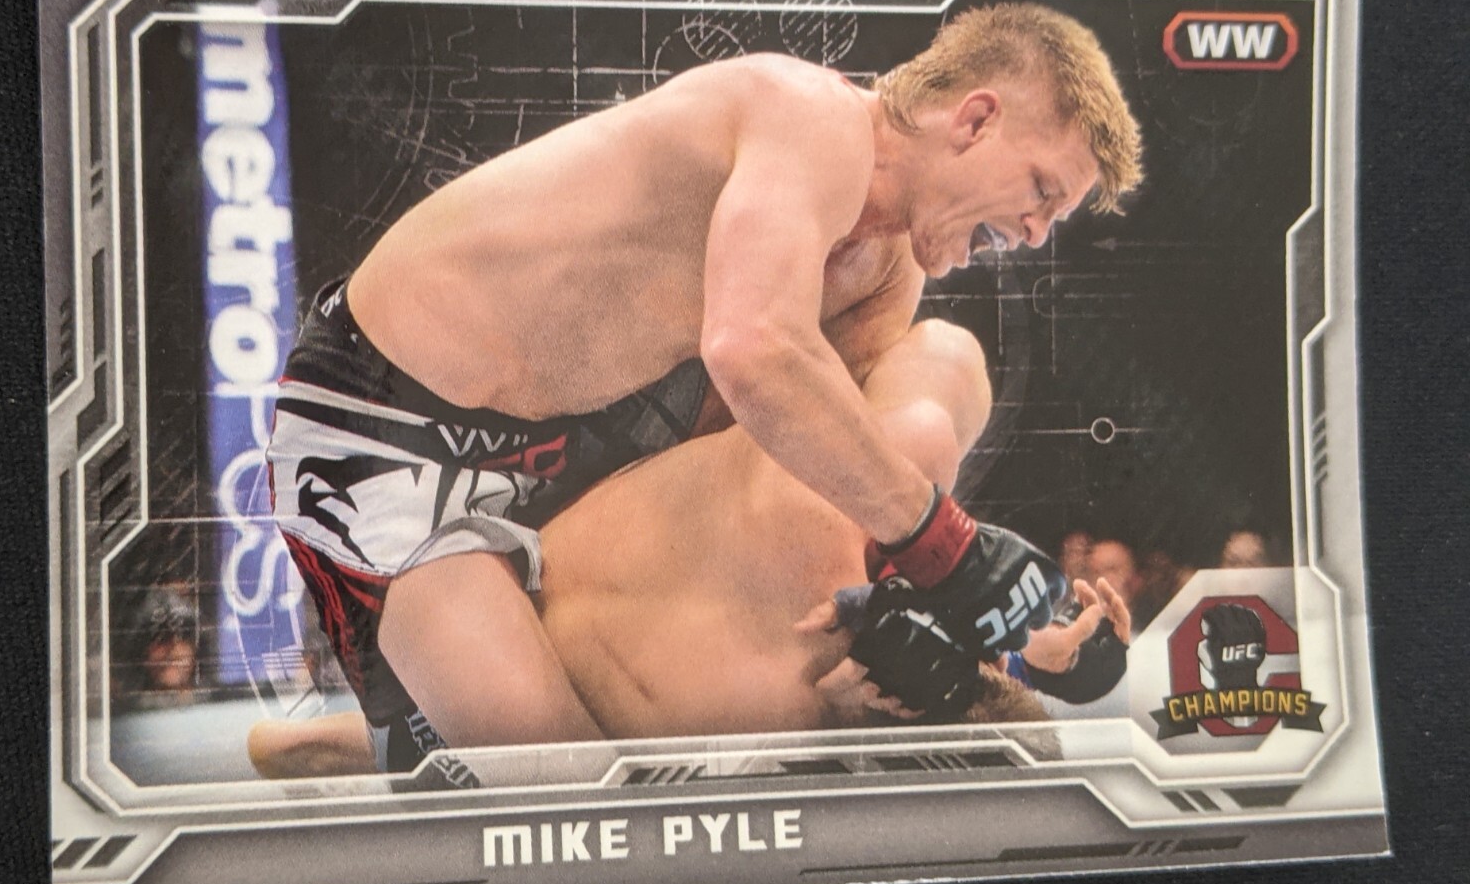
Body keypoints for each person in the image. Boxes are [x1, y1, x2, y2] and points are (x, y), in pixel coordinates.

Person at [266, 2, 1143, 771]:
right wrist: (949, 551)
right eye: (1041, 191)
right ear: (976, 120)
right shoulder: (808, 114)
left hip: (576, 447)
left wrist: (1010, 638)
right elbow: (752, 351)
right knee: (574, 801)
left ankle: (430, 724)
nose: (1036, 233)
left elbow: (811, 484)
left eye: (1054, 217)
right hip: (379, 432)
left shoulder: (889, 271)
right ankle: (415, 733)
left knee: (839, 550)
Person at [252, 319, 1133, 780]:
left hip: (494, 487)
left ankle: (391, 739)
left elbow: (946, 349)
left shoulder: (881, 467)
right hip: (456, 588)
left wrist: (965, 567)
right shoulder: (760, 720)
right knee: (562, 775)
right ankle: (387, 741)